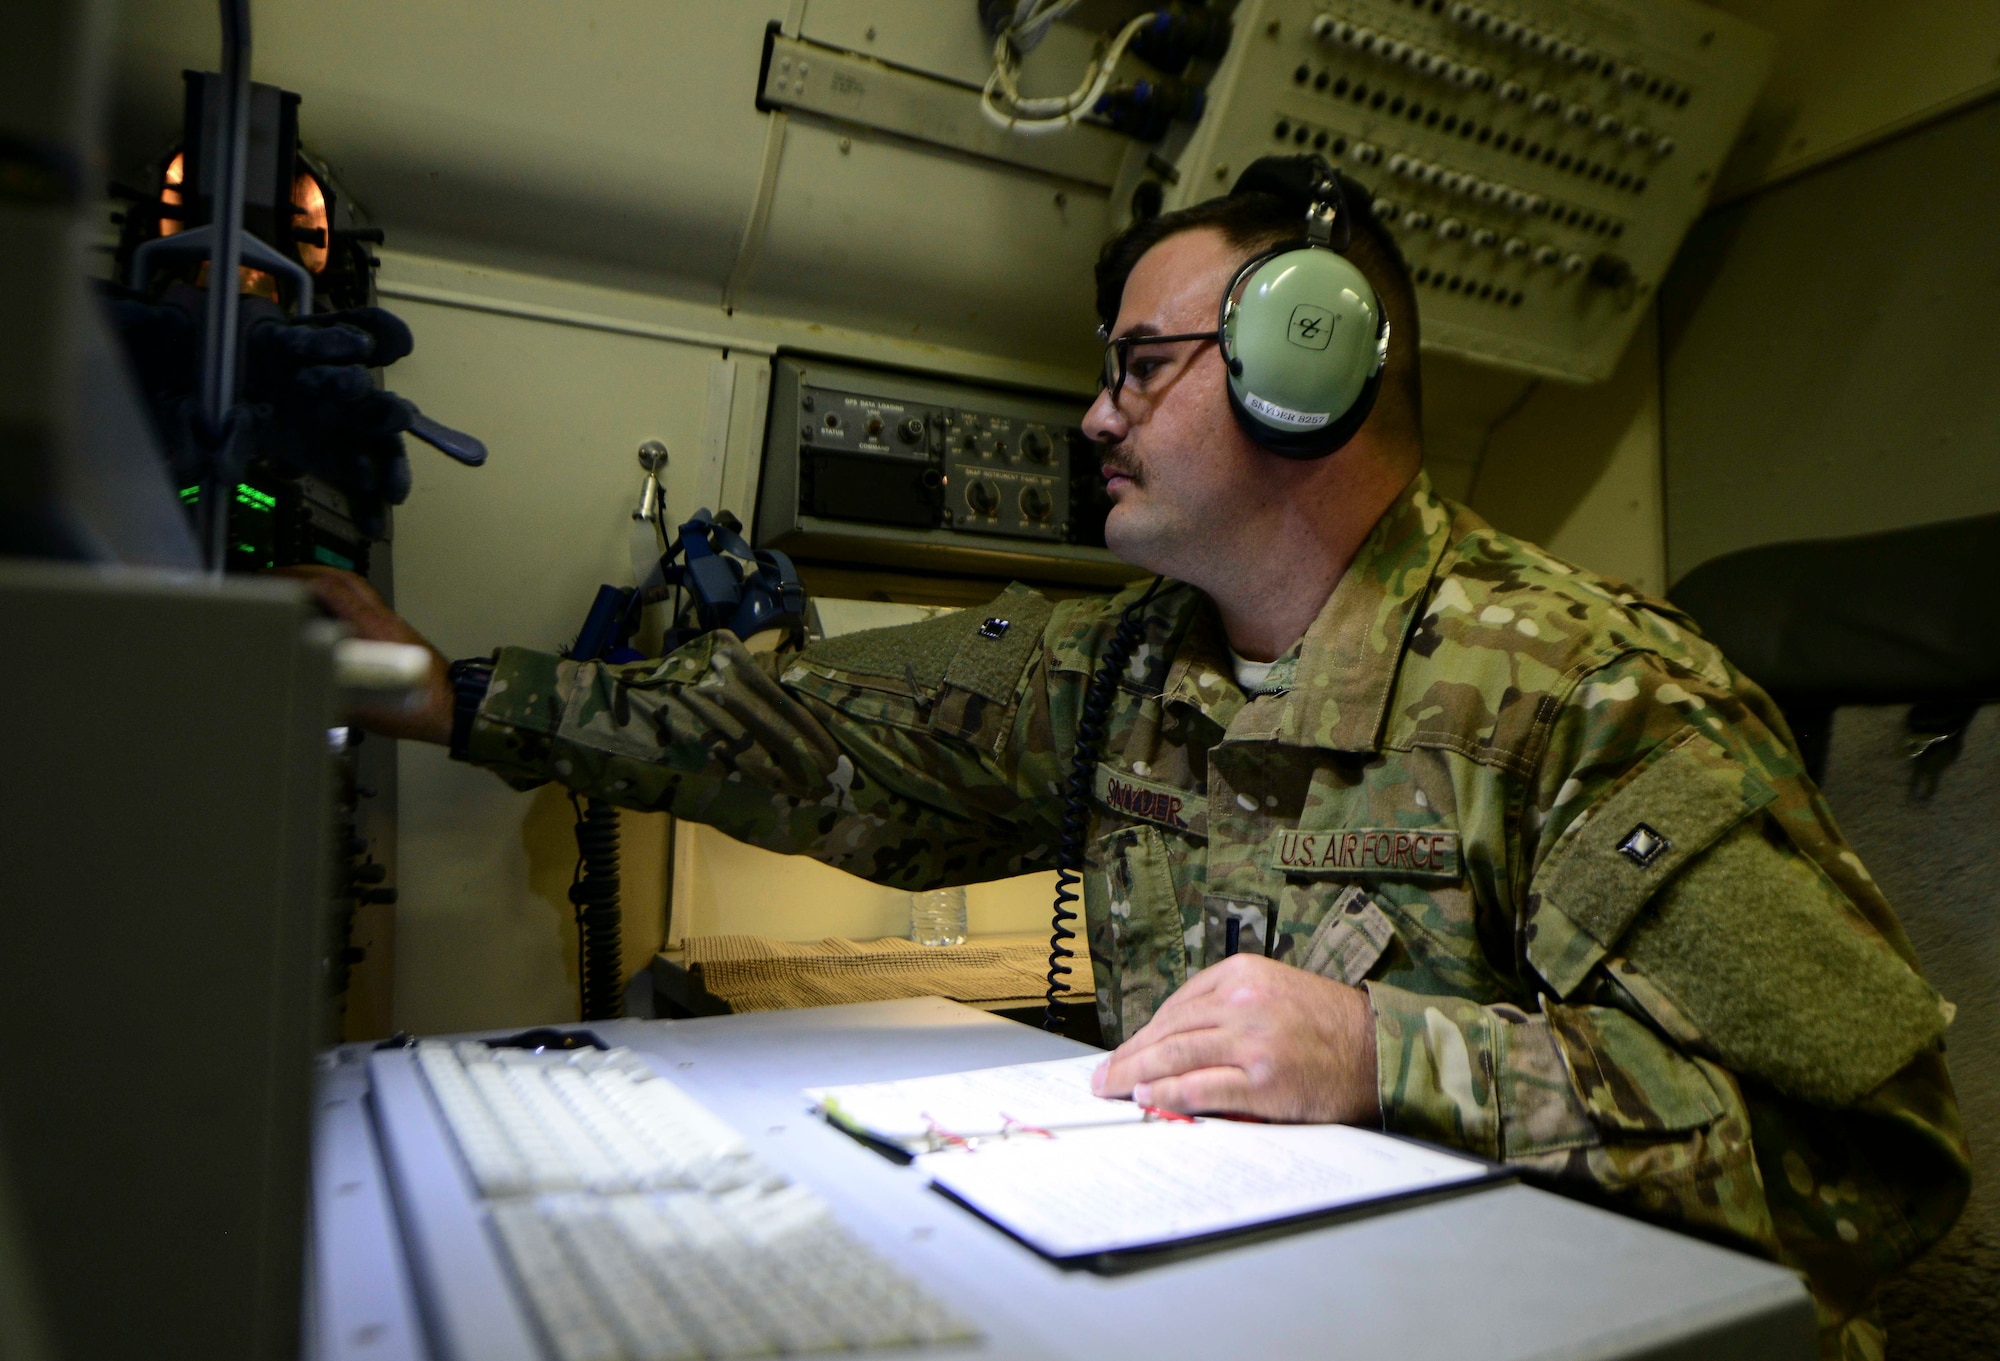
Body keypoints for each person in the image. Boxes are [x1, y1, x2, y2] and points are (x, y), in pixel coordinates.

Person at [299, 165, 1967, 1359]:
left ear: (1305, 364)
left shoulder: (1595, 695)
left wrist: (1387, 1051)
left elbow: (1863, 1167)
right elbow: (811, 725)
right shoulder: (1127, 668)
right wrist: (453, 695)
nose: (1094, 417)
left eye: (1135, 367)